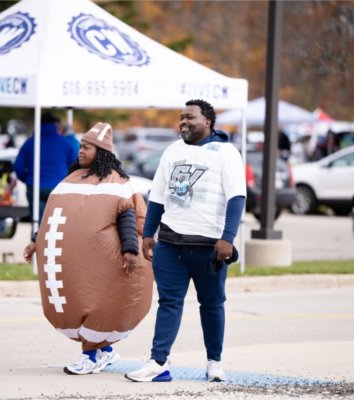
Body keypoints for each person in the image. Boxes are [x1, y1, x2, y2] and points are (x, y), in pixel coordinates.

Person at [125, 99, 246, 383]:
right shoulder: (172, 151)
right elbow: (156, 197)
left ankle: (214, 362)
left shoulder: (226, 152)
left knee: (212, 304)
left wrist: (228, 238)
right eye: (181, 117)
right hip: (171, 243)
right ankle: (158, 363)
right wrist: (148, 235)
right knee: (168, 302)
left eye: (190, 117)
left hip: (209, 247)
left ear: (208, 121)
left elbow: (236, 197)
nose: (183, 122)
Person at [23, 122, 153, 375]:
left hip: (106, 262)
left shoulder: (117, 183)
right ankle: (104, 352)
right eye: (80, 147)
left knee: (96, 303)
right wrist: (36, 240)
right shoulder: (70, 180)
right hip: (78, 262)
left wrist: (129, 250)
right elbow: (56, 217)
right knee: (76, 298)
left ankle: (90, 356)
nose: (80, 152)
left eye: (86, 148)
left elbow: (127, 217)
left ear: (102, 152)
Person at [14, 113, 77, 228]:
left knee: (37, 223)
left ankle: (37, 245)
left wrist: (28, 179)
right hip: (59, 187)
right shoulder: (65, 143)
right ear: (55, 125)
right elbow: (75, 166)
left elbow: (18, 166)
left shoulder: (30, 142)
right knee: (57, 224)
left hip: (35, 186)